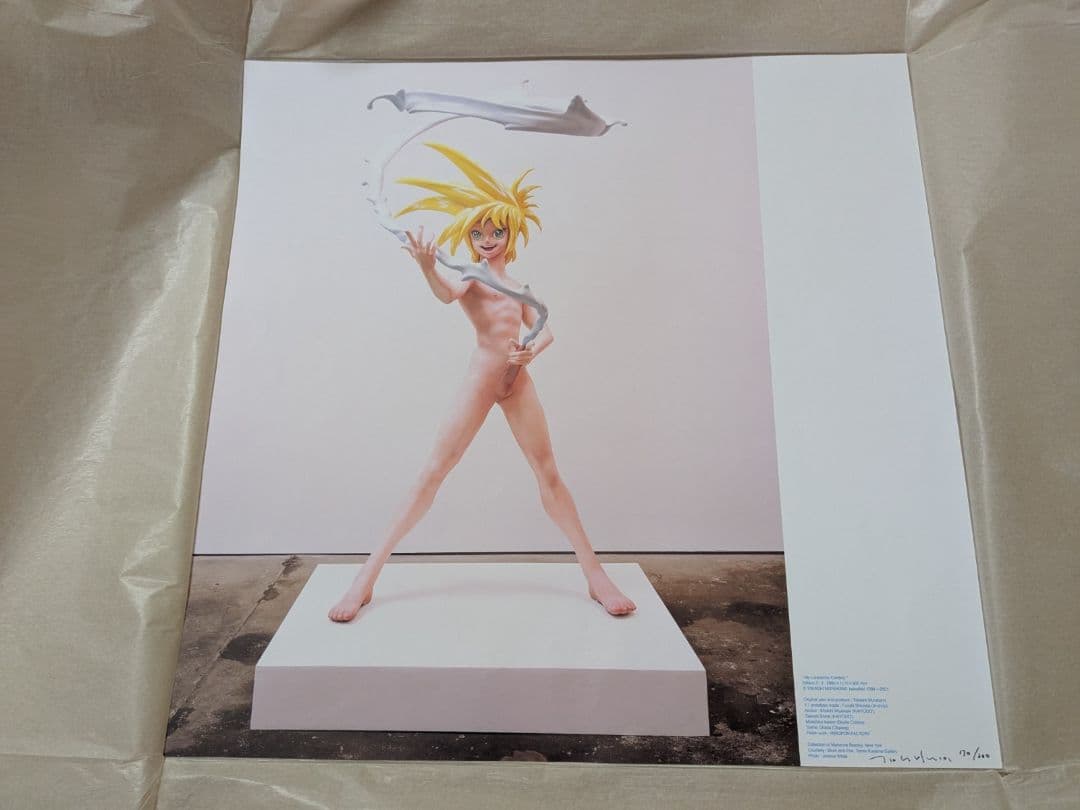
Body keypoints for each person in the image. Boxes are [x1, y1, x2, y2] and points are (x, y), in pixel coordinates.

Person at [328, 142, 636, 621]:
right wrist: (427, 267)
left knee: (548, 472)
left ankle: (595, 574)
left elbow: (545, 329)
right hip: (481, 379)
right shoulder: (472, 277)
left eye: (495, 231)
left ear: (512, 233)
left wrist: (531, 349)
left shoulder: (519, 287)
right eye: (478, 232)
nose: (487, 239)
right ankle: (365, 579)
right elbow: (447, 295)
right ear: (469, 238)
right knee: (433, 472)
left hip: (518, 381)